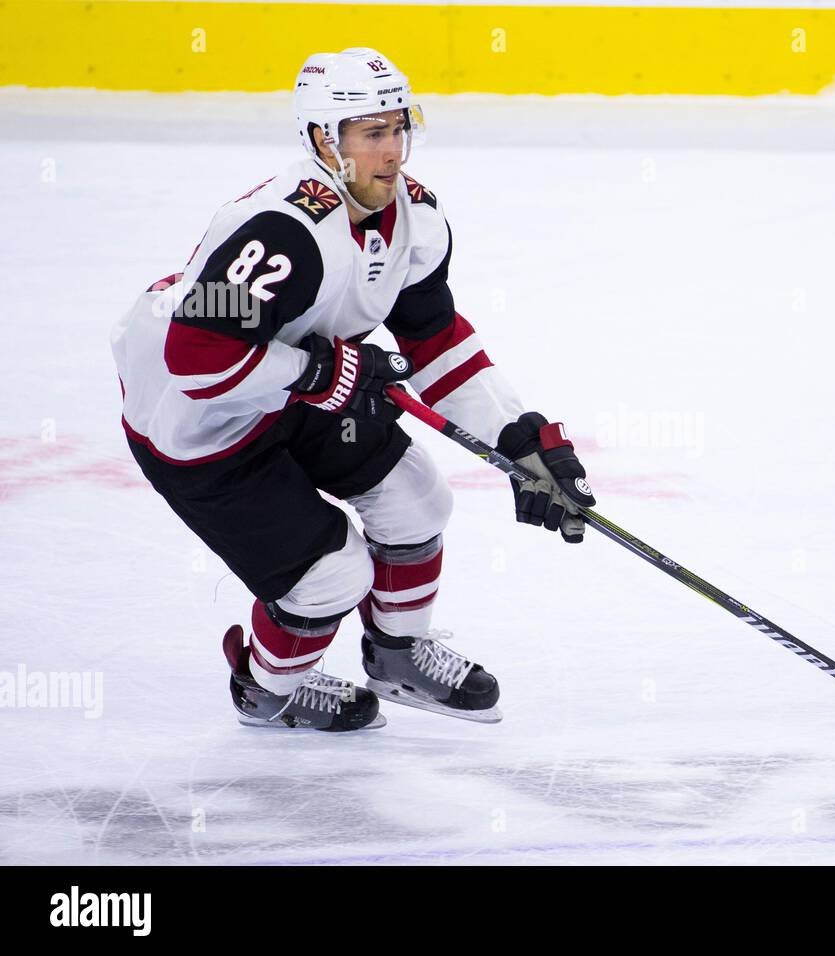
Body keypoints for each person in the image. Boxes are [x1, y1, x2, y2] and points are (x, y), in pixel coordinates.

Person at [110, 47, 595, 732]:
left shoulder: (415, 217)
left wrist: (518, 438)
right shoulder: (285, 231)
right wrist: (318, 374)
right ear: (321, 140)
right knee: (331, 577)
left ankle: (397, 657)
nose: (394, 152)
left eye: (400, 128)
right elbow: (196, 357)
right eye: (372, 134)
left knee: (418, 501)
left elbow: (434, 338)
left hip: (297, 390)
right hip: (201, 423)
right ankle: (264, 686)